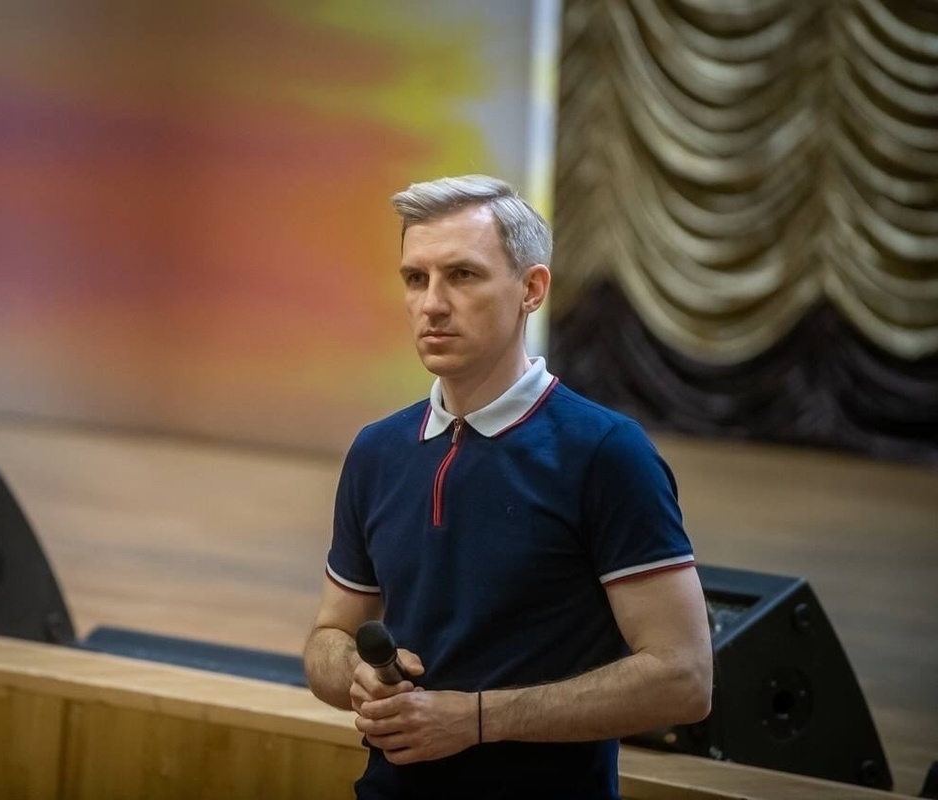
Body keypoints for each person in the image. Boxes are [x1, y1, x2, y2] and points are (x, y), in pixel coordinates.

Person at [302, 175, 713, 799]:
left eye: (462, 275)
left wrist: (477, 720)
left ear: (531, 289)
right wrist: (355, 673)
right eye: (415, 278)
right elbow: (326, 641)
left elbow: (683, 678)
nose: (432, 304)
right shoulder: (376, 451)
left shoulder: (607, 453)